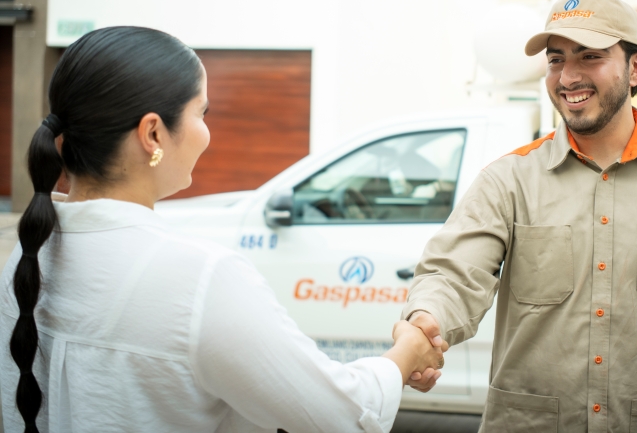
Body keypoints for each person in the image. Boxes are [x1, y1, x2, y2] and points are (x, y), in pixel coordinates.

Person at [0, 26, 442, 433]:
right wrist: (406, 354)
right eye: (202, 112)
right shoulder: (199, 277)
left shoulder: (26, 256)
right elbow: (343, 416)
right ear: (153, 133)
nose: (207, 132)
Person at [402, 0, 637, 432]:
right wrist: (425, 322)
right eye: (556, 60)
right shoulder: (509, 179)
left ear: (636, 68)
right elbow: (453, 274)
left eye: (589, 56)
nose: (568, 76)